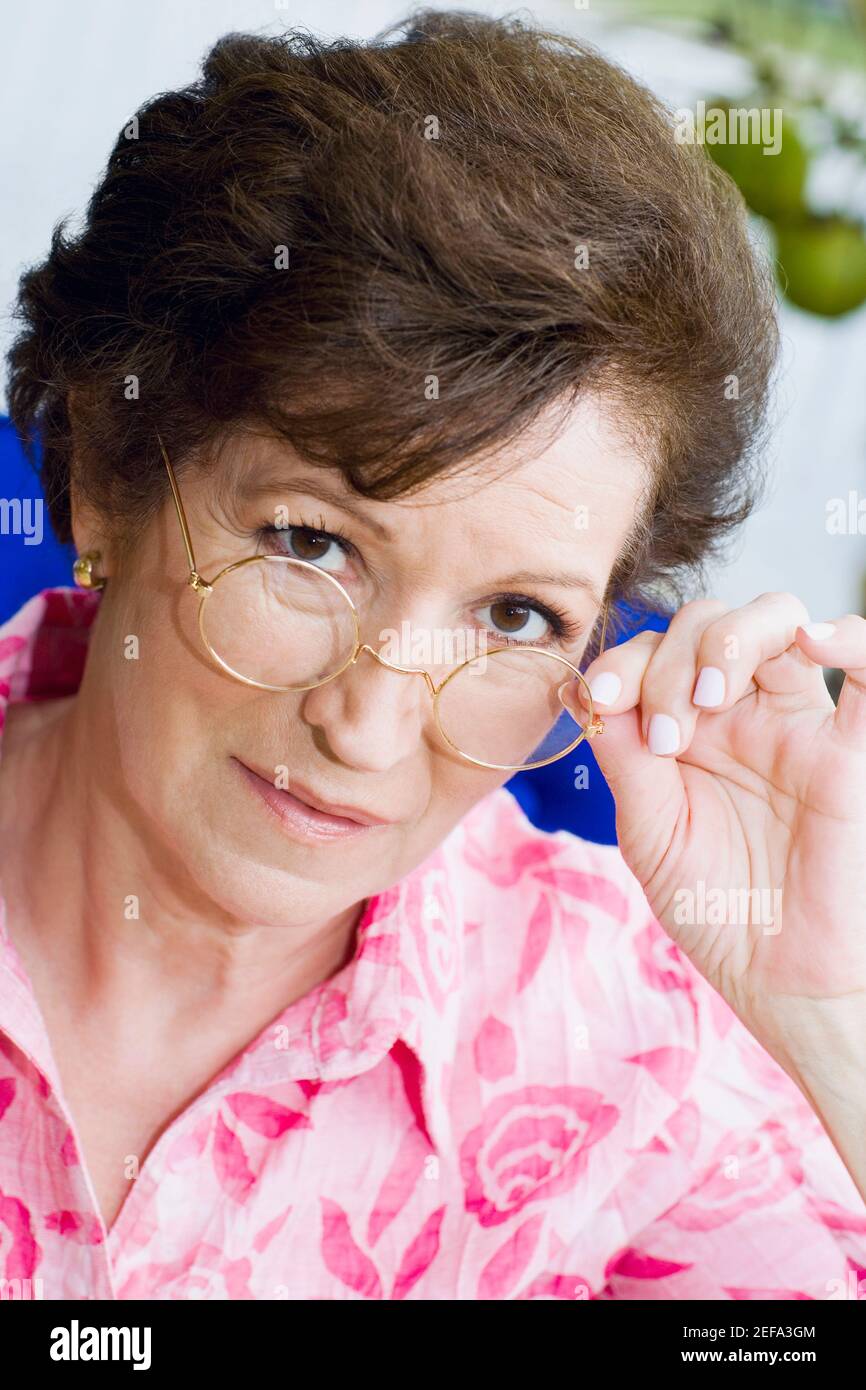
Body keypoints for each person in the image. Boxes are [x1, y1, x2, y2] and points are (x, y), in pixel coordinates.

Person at [0, 10, 864, 1302]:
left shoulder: (630, 1062)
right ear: (108, 485)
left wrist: (829, 1013)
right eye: (310, 541)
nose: (368, 725)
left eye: (515, 615)